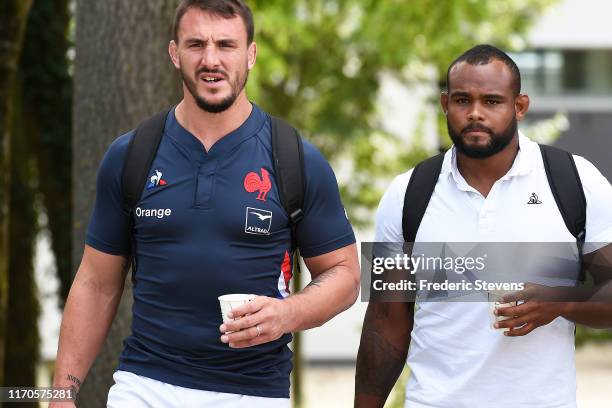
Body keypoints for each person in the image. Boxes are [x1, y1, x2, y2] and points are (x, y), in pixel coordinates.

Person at [51, 1, 360, 407]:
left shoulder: (295, 159)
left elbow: (345, 274)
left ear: (250, 54)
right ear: (174, 53)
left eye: (226, 45)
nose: (210, 60)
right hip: (144, 385)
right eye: (196, 44)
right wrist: (60, 394)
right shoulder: (132, 155)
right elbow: (95, 283)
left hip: (252, 392)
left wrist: (289, 314)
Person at [354, 44, 612, 408]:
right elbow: (386, 319)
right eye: (462, 100)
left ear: (519, 106)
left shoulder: (574, 181)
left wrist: (560, 302)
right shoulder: (407, 193)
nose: (475, 113)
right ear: (445, 104)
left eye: (492, 101)